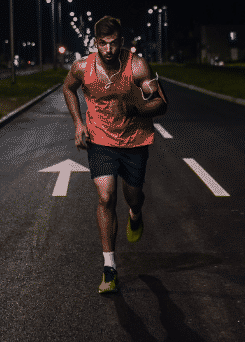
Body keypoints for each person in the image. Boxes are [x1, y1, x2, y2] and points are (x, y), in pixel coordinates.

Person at [63, 15, 168, 294]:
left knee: (132, 195)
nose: (108, 50)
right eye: (102, 44)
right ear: (95, 43)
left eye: (113, 43)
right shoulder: (82, 68)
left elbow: (160, 103)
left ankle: (136, 213)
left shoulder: (136, 66)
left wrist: (137, 109)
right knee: (105, 196)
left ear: (121, 41)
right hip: (100, 139)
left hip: (134, 140)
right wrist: (77, 123)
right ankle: (109, 269)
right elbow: (68, 89)